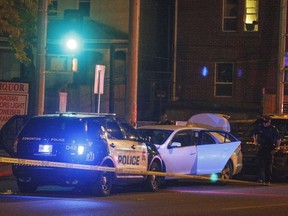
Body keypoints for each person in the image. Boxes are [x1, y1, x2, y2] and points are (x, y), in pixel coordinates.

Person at [253, 115, 281, 184]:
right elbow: (254, 134)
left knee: (268, 165)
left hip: (269, 149)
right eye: (263, 122)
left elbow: (278, 139)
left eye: (266, 122)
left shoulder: (273, 129)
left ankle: (267, 180)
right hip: (261, 148)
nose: (264, 124)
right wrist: (255, 142)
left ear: (269, 122)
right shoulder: (259, 127)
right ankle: (260, 179)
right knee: (260, 164)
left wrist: (276, 148)